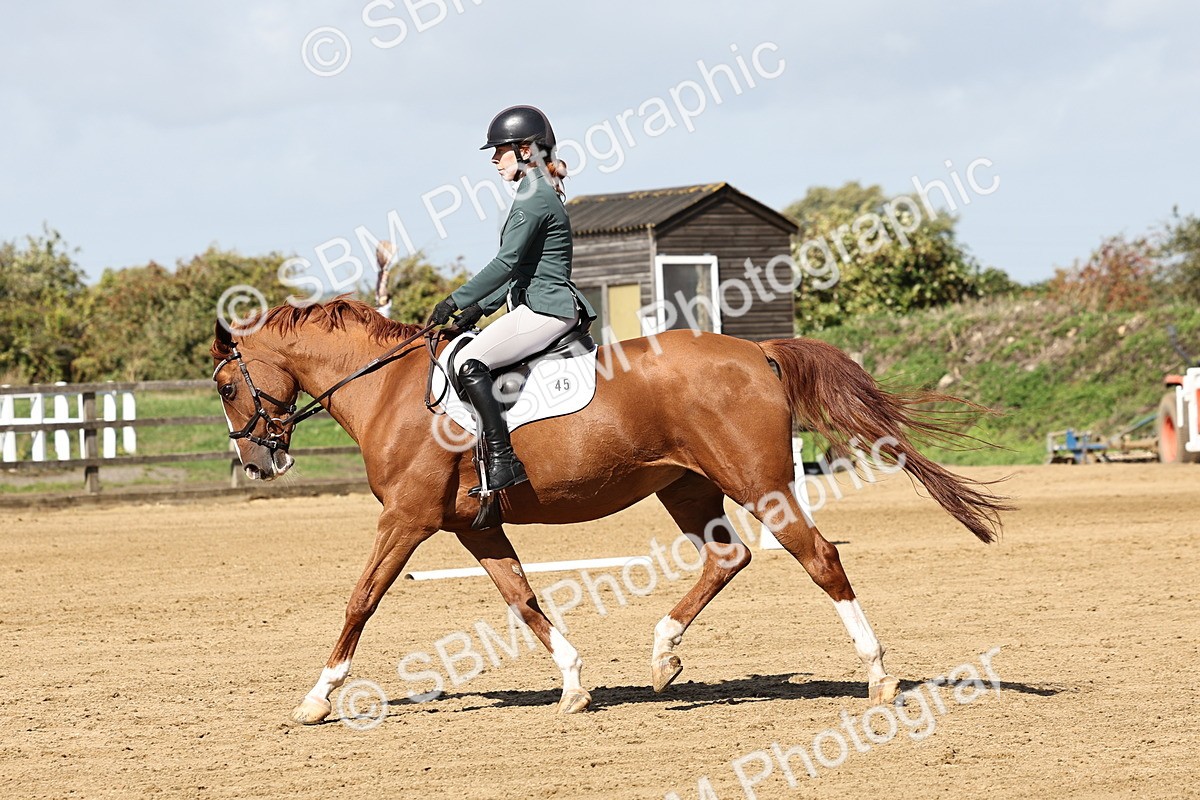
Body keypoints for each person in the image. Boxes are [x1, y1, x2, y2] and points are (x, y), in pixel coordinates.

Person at [428, 105, 596, 495]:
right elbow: (522, 270)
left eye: (500, 150)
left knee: (469, 363)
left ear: (525, 150)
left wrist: (454, 300)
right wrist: (480, 307)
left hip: (546, 308)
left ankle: (504, 461)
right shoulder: (537, 190)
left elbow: (506, 263)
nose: (493, 159)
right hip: (539, 303)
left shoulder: (534, 196)